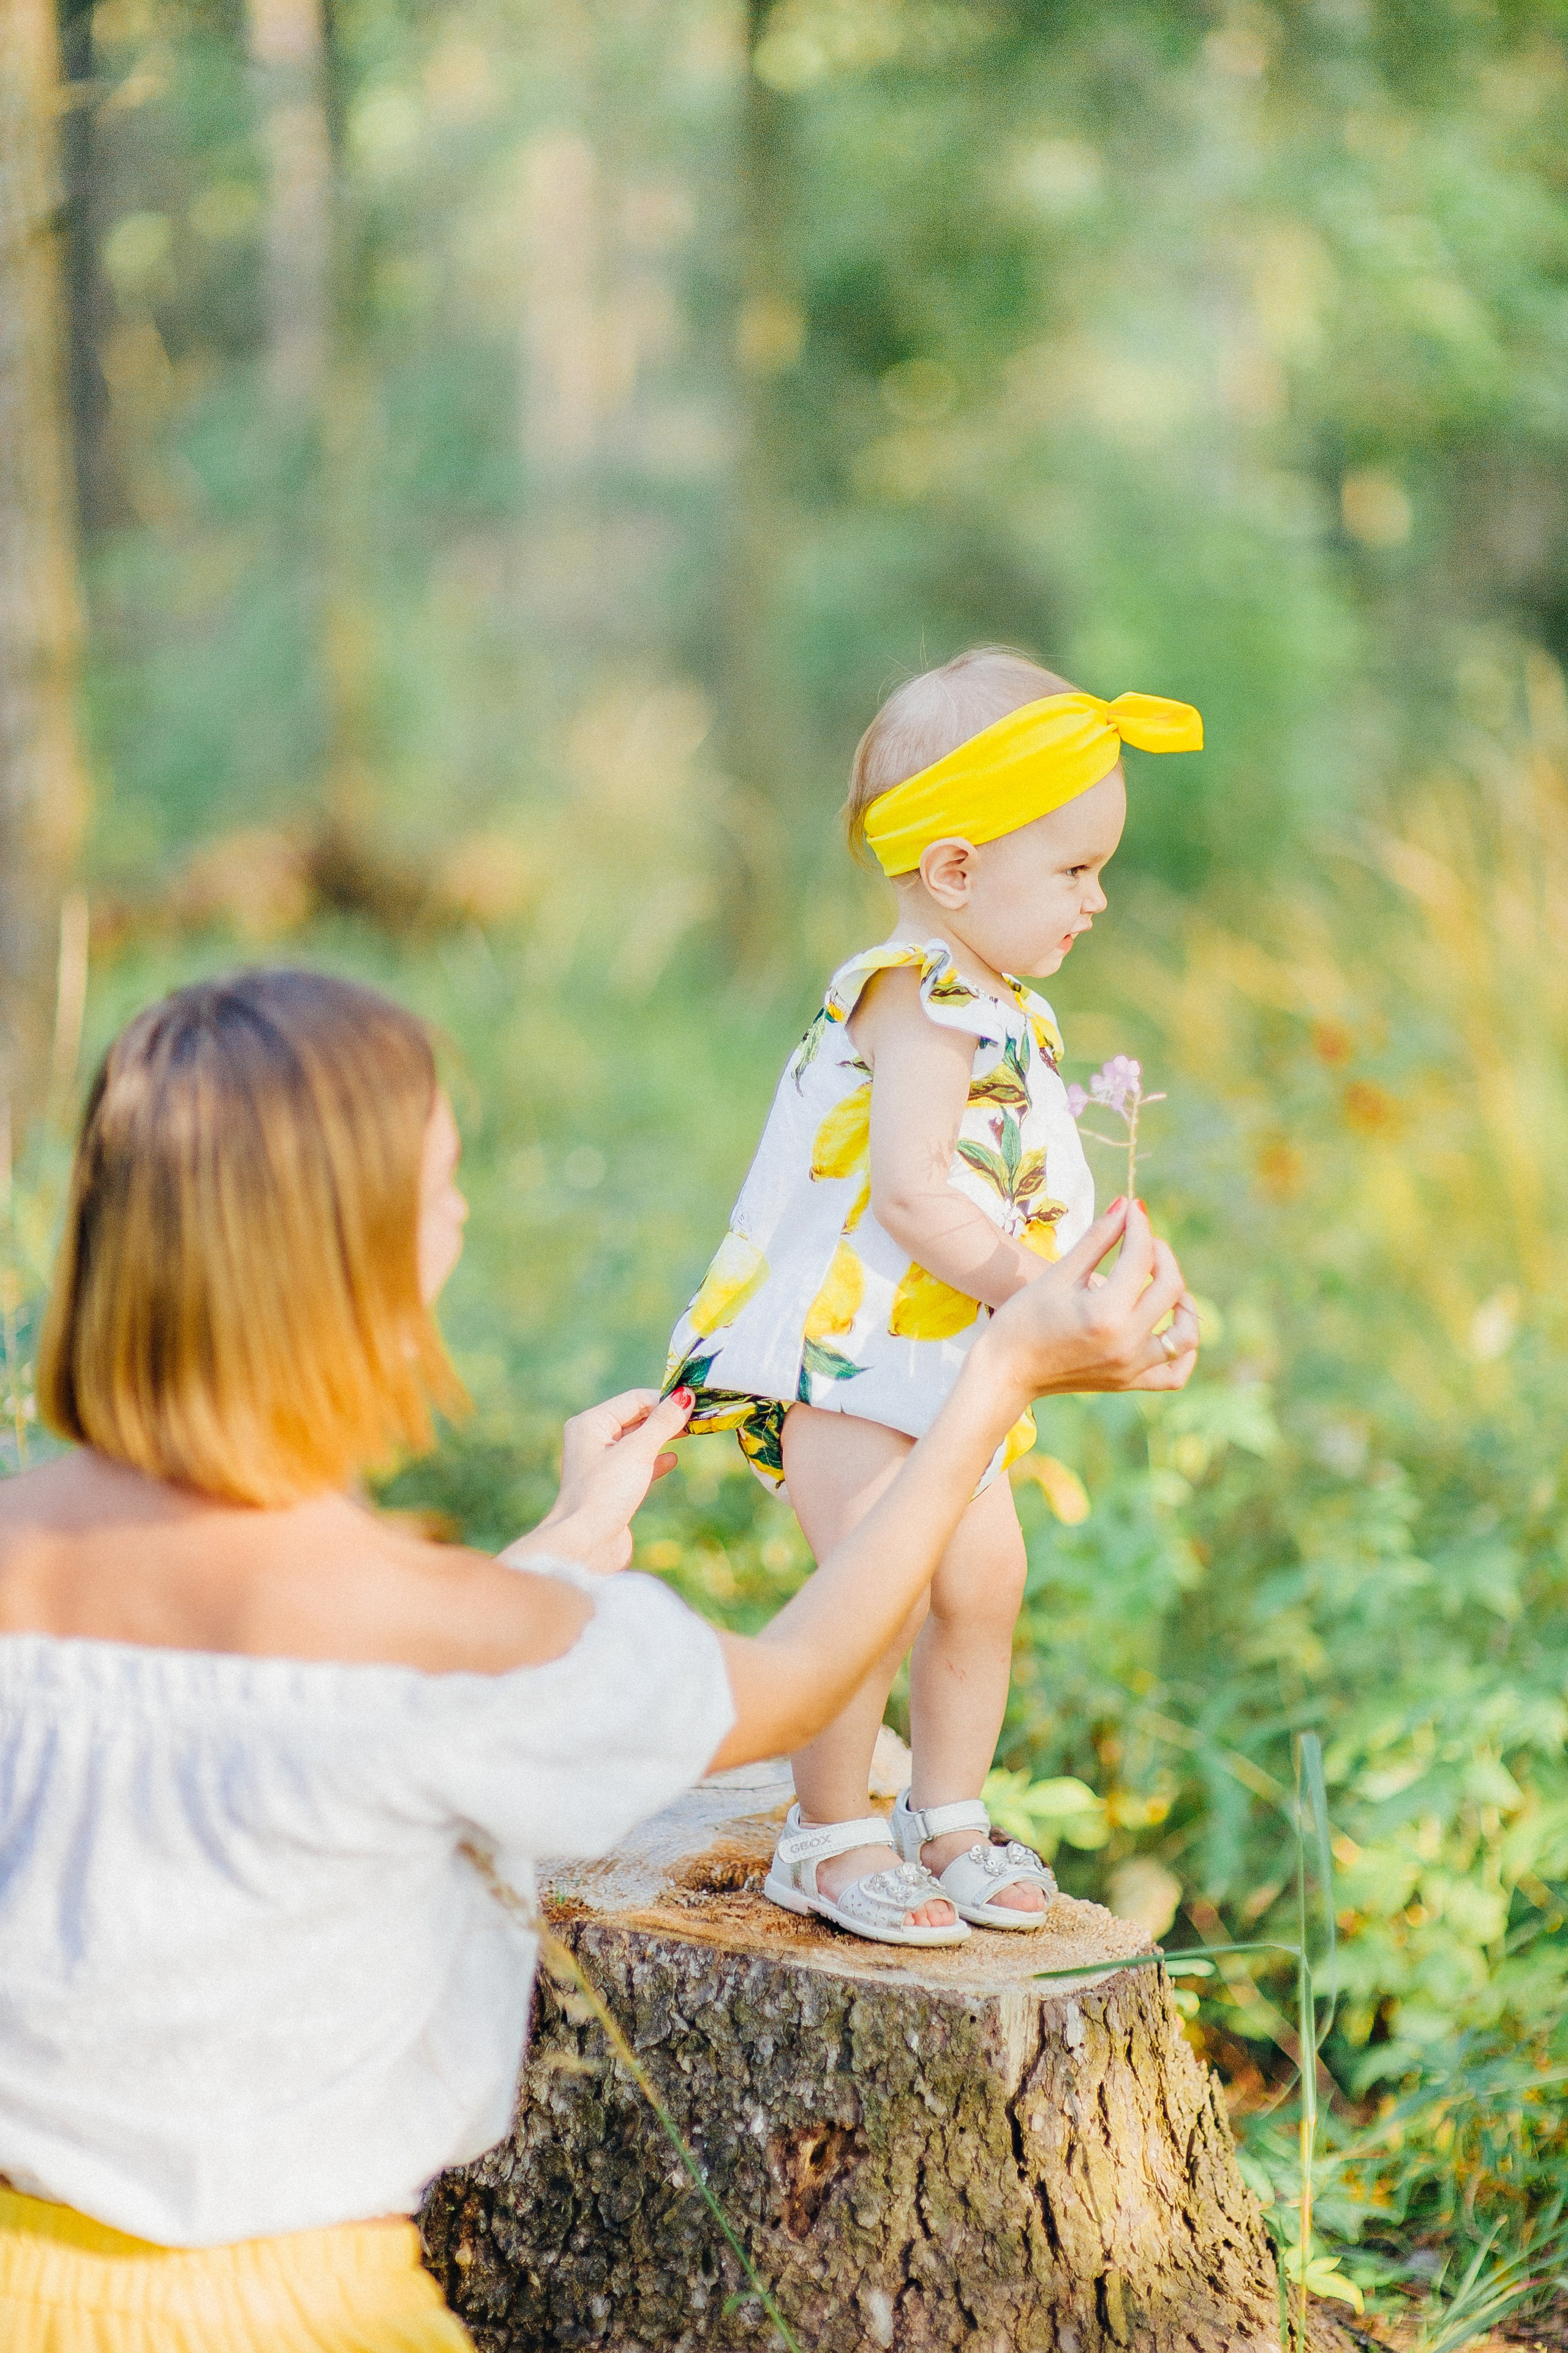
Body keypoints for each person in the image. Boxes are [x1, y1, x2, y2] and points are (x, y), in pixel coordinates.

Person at [0, 966, 1196, 2352]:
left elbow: (333, 1693)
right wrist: (990, 1386)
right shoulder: (447, 1631)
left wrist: (564, 1540)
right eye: (443, 1191)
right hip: (302, 2310)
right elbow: (796, 1685)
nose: (456, 1223)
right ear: (359, 1260)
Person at [664, 647, 1203, 1946]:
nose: (1098, 898)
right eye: (1072, 870)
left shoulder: (999, 1001)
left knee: (984, 1581)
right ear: (955, 870)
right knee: (876, 1583)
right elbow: (909, 1193)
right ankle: (829, 1832)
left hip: (946, 1363)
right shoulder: (917, 996)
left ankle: (947, 1814)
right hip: (849, 1353)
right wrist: (1041, 1300)